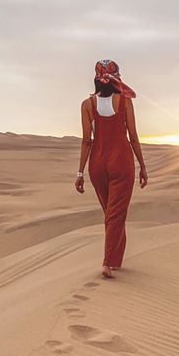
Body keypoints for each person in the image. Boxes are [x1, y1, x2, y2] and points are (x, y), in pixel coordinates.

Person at [75, 59, 148, 278]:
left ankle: (115, 260)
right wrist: (143, 166)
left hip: (97, 165)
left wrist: (80, 172)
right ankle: (108, 262)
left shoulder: (87, 105)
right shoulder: (124, 102)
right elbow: (133, 136)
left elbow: (86, 140)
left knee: (111, 213)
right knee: (116, 215)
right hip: (121, 163)